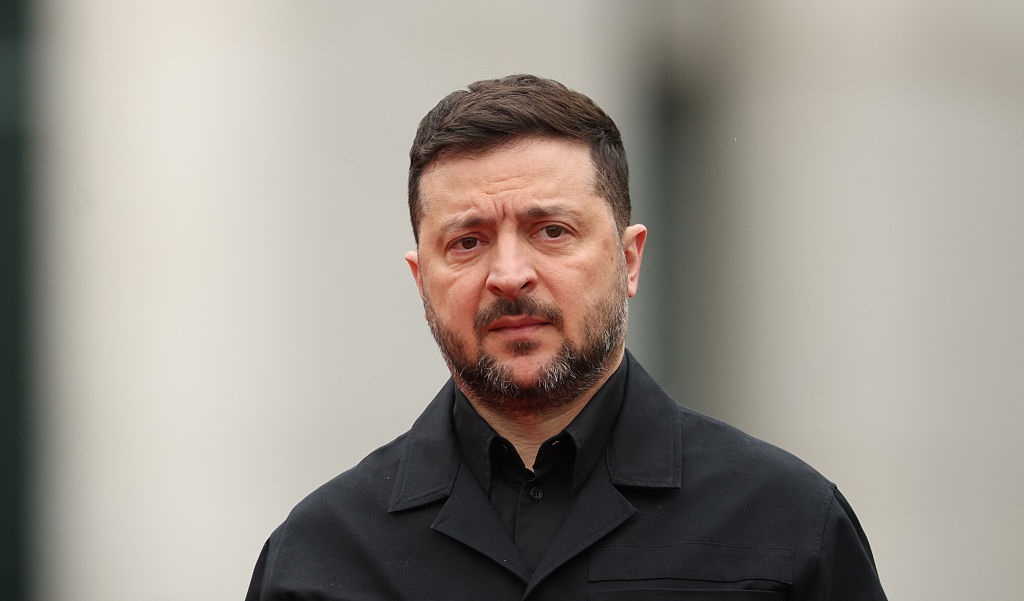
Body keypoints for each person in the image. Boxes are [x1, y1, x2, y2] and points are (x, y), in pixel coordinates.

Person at [245, 74, 887, 600]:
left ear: (629, 260)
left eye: (551, 231)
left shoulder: (786, 523)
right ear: (421, 280)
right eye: (467, 242)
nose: (509, 275)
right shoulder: (321, 554)